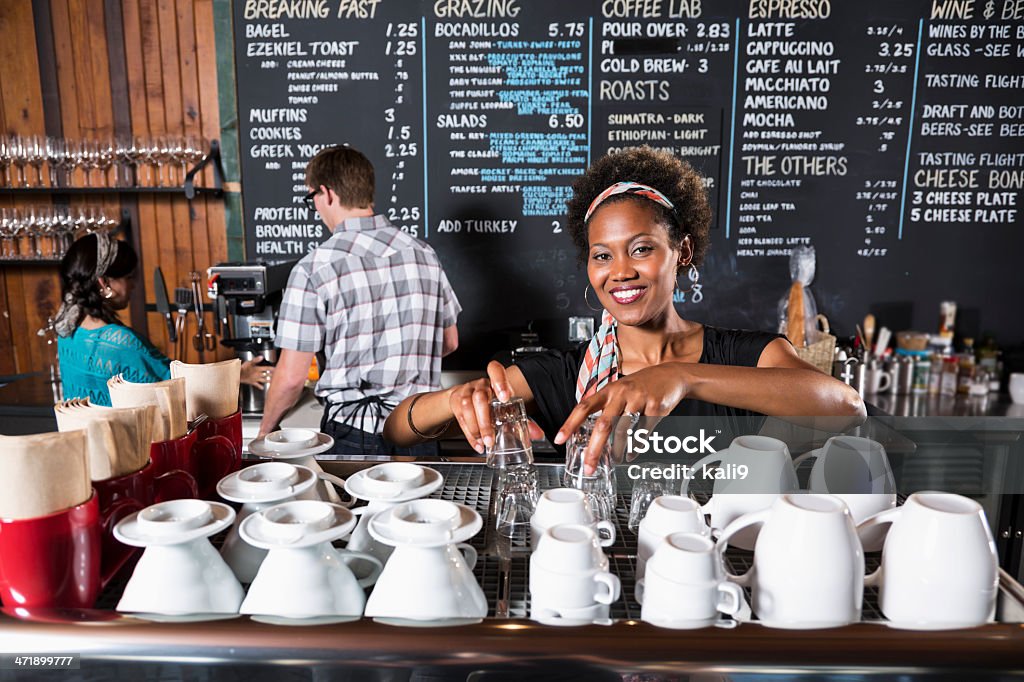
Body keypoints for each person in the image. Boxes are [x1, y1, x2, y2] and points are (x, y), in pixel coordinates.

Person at [383, 146, 865, 465]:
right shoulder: (562, 375)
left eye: (641, 248)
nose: (621, 271)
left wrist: (683, 377)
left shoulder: (743, 354)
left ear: (684, 252)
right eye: (602, 256)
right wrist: (452, 401)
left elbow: (847, 406)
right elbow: (397, 430)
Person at [258, 145, 461, 456]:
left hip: (354, 432)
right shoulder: (423, 255)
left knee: (356, 507)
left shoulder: (315, 268)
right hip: (419, 427)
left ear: (326, 194)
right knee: (422, 505)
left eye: (311, 198)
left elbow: (291, 379)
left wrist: (265, 434)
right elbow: (449, 342)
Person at [55, 232, 271, 406]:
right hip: (129, 454)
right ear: (104, 283)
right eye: (129, 278)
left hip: (86, 452)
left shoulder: (67, 331)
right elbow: (178, 386)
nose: (133, 285)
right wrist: (237, 375)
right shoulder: (121, 344)